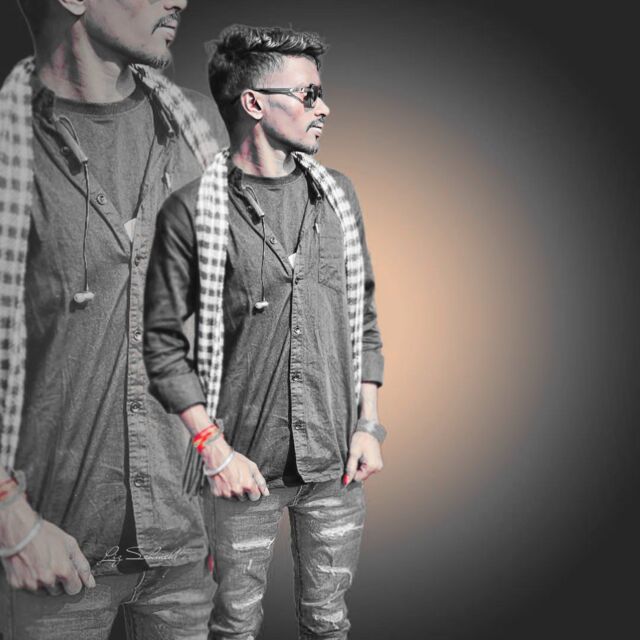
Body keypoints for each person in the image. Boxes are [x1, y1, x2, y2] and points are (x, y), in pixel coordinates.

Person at [144, 23, 386, 639]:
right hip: (240, 471)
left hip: (335, 466)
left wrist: (368, 425)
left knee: (329, 622)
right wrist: (213, 449)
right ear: (253, 102)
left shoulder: (338, 196)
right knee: (232, 626)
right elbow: (162, 343)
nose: (323, 108)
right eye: (308, 95)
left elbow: (362, 314)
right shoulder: (192, 211)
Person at [0, 1, 227, 638]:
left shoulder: (200, 130)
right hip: (52, 557)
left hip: (186, 549)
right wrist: (11, 521)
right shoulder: (9, 146)